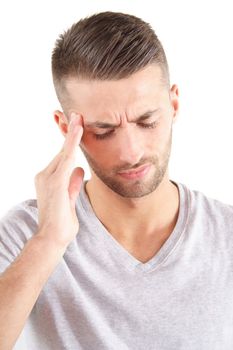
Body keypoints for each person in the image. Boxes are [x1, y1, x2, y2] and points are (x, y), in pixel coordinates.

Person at [0, 10, 233, 350]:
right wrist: (49, 240)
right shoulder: (26, 234)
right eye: (103, 131)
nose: (130, 152)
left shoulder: (226, 235)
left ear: (174, 104)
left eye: (146, 120)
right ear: (67, 129)